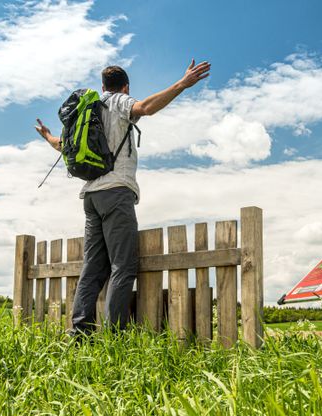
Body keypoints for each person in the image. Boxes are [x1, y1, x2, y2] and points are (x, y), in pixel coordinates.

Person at [34, 60, 211, 333]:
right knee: (123, 266)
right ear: (125, 87)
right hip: (116, 192)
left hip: (90, 196)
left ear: (102, 87)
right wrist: (181, 84)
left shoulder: (87, 111)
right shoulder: (119, 102)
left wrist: (47, 136)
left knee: (92, 269)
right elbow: (146, 108)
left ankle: (79, 332)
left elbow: (65, 147)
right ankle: (115, 337)